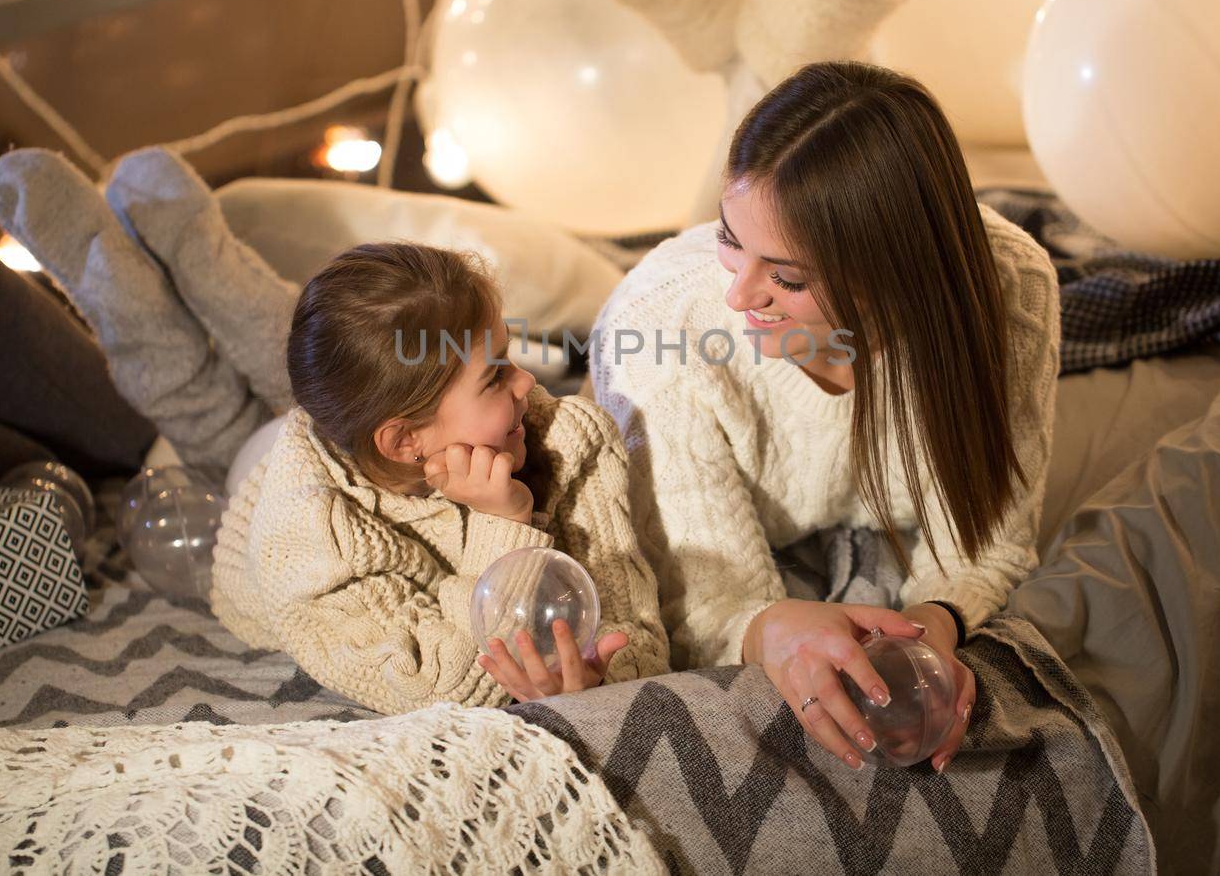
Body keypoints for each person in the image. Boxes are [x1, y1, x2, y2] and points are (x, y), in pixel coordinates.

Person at [592, 60, 1061, 771]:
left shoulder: (1010, 287)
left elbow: (987, 536)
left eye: (787, 276)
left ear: (891, 275)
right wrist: (772, 629)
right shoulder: (660, 332)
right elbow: (707, 596)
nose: (742, 294)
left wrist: (932, 624)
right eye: (728, 237)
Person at [211, 242, 668, 714]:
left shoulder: (571, 440)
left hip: (357, 431)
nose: (526, 382)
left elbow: (639, 635)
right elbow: (433, 688)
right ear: (406, 440)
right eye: (494, 376)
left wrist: (592, 678)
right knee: (221, 427)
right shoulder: (310, 539)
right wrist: (505, 524)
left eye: (508, 354)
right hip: (262, 479)